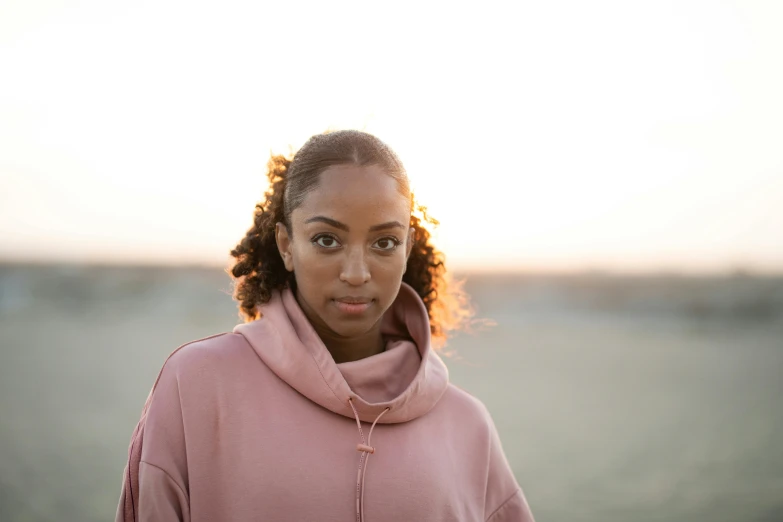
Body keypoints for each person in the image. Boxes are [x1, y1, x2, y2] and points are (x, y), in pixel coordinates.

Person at [115, 130, 534, 522]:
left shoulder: (467, 425)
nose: (355, 273)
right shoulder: (197, 384)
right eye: (326, 240)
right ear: (286, 245)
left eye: (384, 242)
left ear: (407, 248)